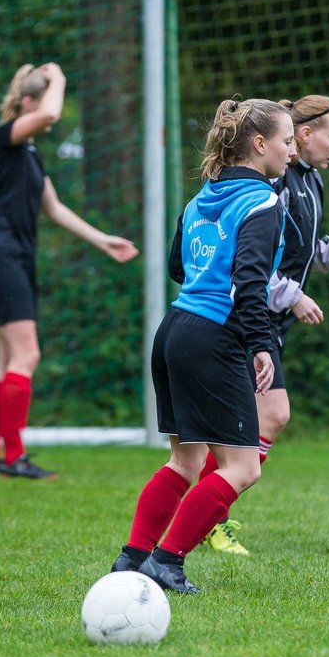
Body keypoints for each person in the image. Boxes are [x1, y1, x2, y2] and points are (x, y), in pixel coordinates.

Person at [110, 98, 294, 594]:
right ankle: (167, 561)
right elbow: (250, 281)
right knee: (243, 467)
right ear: (260, 145)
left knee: (185, 461)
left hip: (174, 330)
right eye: (287, 141)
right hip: (214, 337)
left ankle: (133, 558)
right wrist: (260, 344)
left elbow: (178, 267)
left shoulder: (200, 200)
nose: (291, 151)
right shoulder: (264, 202)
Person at [200, 94, 329, 556]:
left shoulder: (310, 181)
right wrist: (293, 295)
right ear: (304, 135)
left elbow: (299, 252)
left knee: (246, 426)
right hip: (246, 318)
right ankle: (206, 515)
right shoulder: (277, 182)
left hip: (267, 323)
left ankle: (203, 511)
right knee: (268, 417)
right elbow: (254, 264)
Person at [0, 62, 139, 479]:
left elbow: (55, 208)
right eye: (45, 98)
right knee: (28, 354)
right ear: (29, 102)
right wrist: (60, 79)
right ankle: (15, 457)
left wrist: (103, 240)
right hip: (0, 255)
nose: (51, 112)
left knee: (7, 360)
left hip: (14, 258)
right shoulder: (5, 136)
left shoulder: (29, 154)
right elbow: (49, 114)